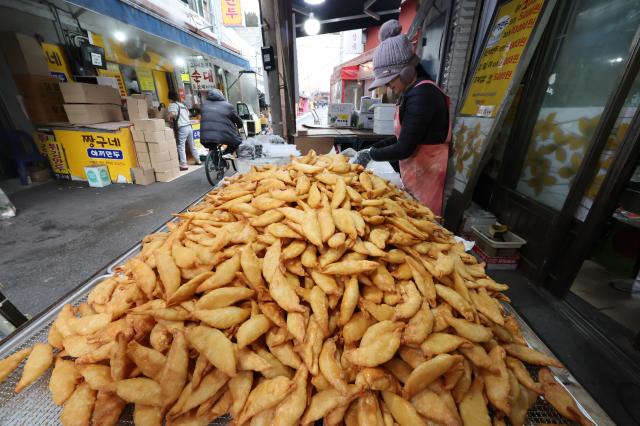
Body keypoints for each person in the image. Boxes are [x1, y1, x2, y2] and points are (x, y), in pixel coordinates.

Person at [352, 20, 451, 216]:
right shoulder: (411, 92)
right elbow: (402, 137)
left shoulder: (423, 95)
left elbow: (404, 147)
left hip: (428, 175)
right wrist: (372, 149)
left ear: (406, 71)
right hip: (416, 172)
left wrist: (372, 154)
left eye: (389, 81)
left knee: (425, 225)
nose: (388, 87)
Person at [200, 89, 243, 155]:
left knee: (212, 147)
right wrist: (240, 125)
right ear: (221, 95)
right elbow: (237, 120)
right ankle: (225, 155)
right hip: (223, 135)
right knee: (237, 142)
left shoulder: (204, 106)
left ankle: (215, 162)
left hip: (205, 137)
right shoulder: (228, 106)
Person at [168, 91, 200, 171]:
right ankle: (198, 160)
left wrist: (169, 117)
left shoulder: (172, 105)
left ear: (169, 98)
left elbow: (173, 114)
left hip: (182, 127)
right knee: (192, 145)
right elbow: (188, 114)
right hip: (189, 126)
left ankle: (183, 164)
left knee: (181, 146)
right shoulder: (182, 105)